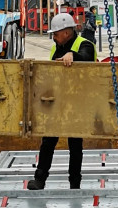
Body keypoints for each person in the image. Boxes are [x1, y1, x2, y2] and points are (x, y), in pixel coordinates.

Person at [28, 13, 97, 190]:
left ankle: (75, 184)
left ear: (66, 32)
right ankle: (39, 180)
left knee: (75, 145)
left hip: (76, 103)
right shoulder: (55, 48)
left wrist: (72, 55)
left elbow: (87, 56)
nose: (54, 37)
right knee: (48, 142)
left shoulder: (84, 45)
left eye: (56, 34)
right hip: (57, 102)